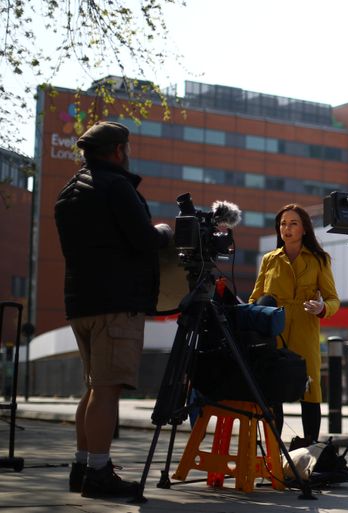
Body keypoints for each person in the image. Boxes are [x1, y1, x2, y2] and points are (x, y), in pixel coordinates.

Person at [54, 121, 173, 498]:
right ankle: (100, 474)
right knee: (107, 391)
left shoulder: (69, 191)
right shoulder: (116, 186)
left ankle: (83, 466)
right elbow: (141, 239)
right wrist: (165, 232)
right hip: (116, 302)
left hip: (80, 302)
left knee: (93, 389)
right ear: (119, 149)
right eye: (127, 146)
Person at [249, 204, 340, 443]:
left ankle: (309, 449)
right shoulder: (269, 259)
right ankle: (273, 455)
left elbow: (333, 299)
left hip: (305, 327)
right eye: (282, 224)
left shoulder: (319, 260)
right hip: (273, 328)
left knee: (309, 388)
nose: (286, 228)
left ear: (304, 229)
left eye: (293, 223)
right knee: (273, 387)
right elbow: (254, 297)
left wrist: (322, 308)